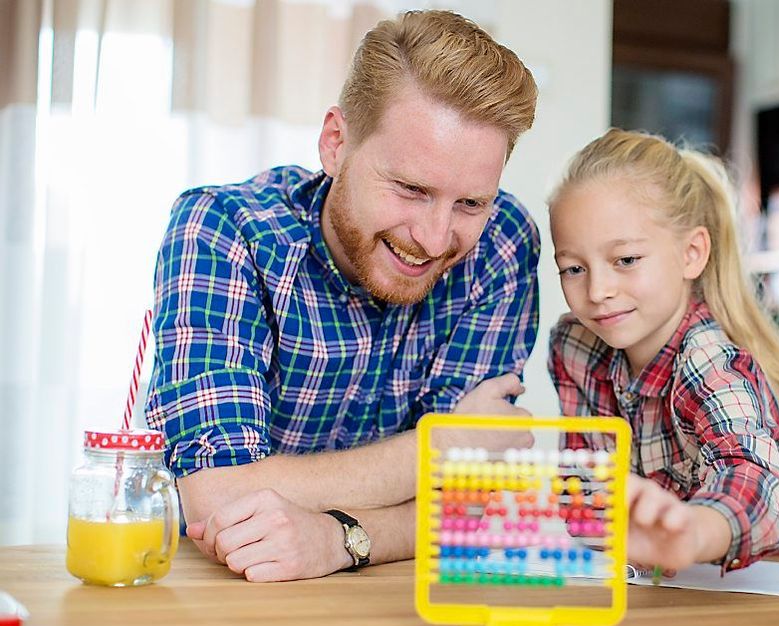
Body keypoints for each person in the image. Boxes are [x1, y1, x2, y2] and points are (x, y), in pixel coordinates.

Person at [144, 10, 539, 582]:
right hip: (224, 592)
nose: (432, 238)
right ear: (336, 144)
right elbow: (213, 494)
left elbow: (470, 504)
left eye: (470, 204)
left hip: (400, 601)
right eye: (411, 188)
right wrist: (444, 446)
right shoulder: (224, 228)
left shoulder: (502, 243)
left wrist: (342, 538)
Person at [546, 129, 779, 576]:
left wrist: (692, 531)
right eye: (574, 268)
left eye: (626, 260)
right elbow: (587, 495)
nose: (598, 291)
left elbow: (765, 483)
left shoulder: (708, 357)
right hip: (672, 582)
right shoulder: (576, 346)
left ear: (691, 253)